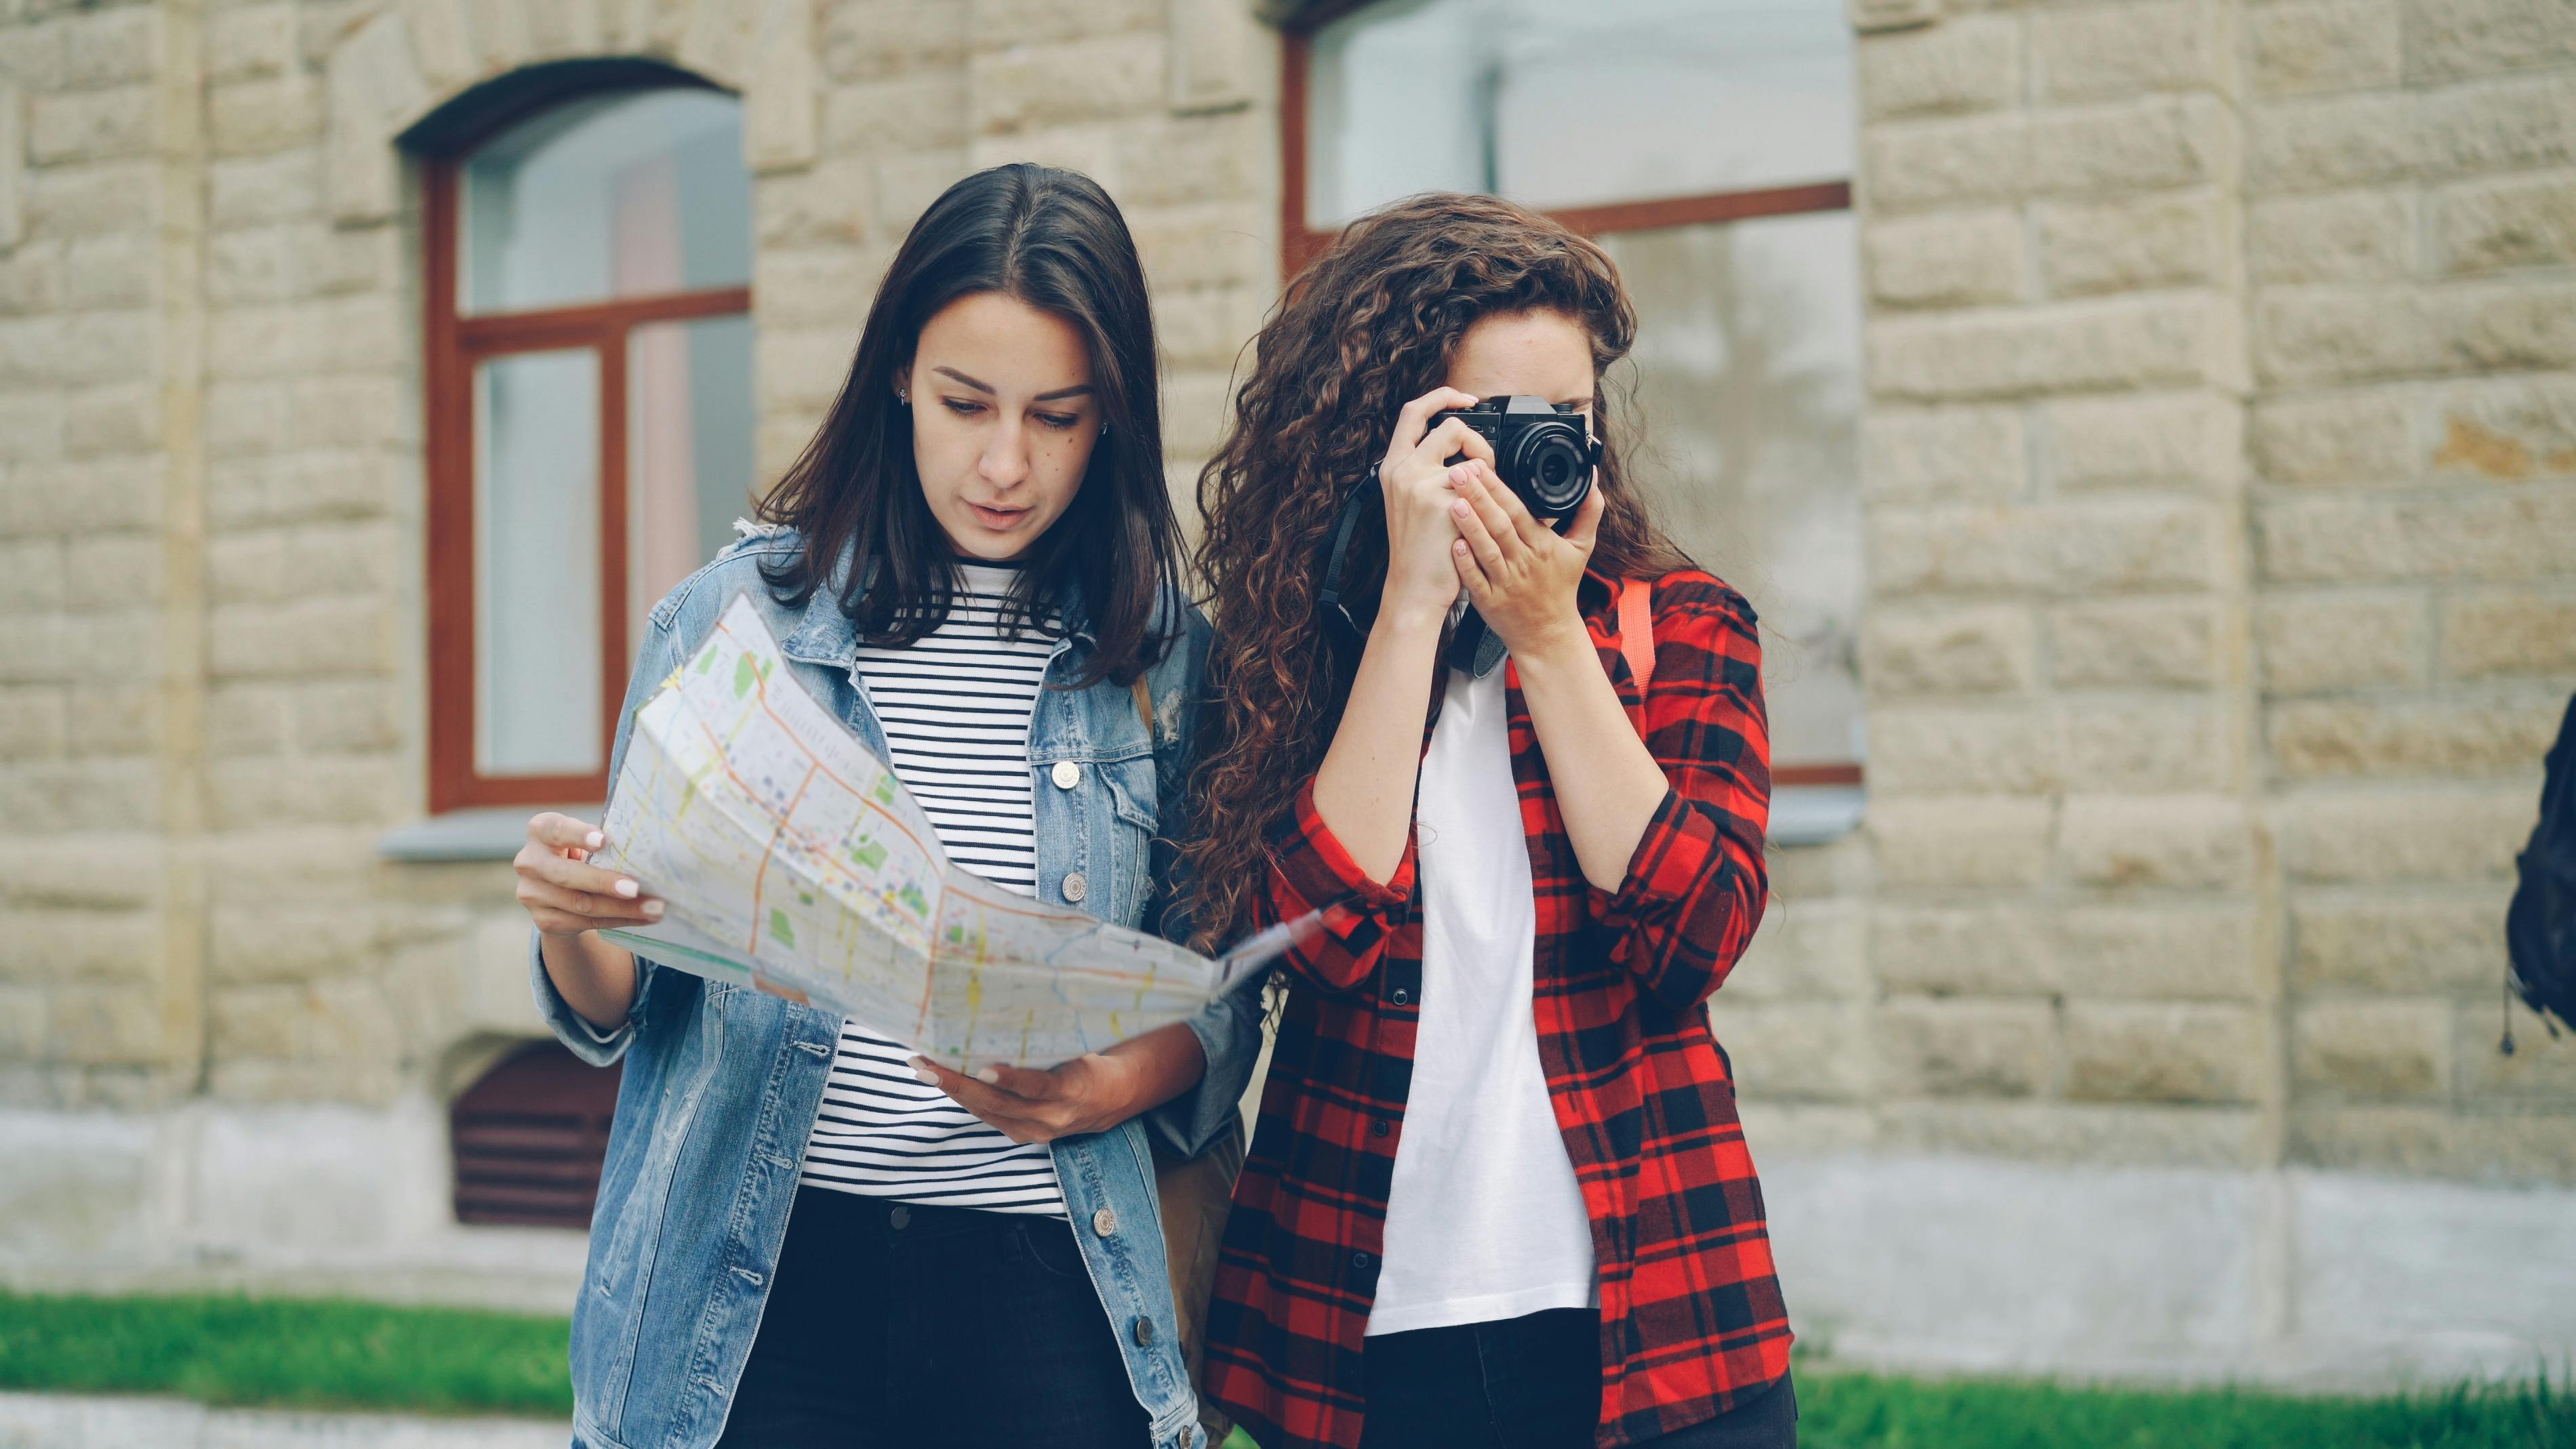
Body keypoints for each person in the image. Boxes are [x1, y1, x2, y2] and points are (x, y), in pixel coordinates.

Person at [511, 163, 1258, 1449]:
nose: (1006, 462)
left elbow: (1220, 991)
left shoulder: (1170, 665)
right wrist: (570, 918)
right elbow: (626, 1005)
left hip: (1051, 1280)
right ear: (899, 375)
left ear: (1114, 421)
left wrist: (1105, 1082)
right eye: (967, 402)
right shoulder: (728, 621)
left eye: (1059, 417)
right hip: (762, 1282)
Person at [1186, 192, 1796, 1449]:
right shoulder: (1306, 660)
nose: (1536, 460)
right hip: (1367, 1325)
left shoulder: (1680, 626)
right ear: (1392, 437)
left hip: (1659, 1312)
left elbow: (1695, 936)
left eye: (1565, 423)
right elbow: (1314, 941)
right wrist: (1409, 608)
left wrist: (1551, 638)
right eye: (1489, 427)